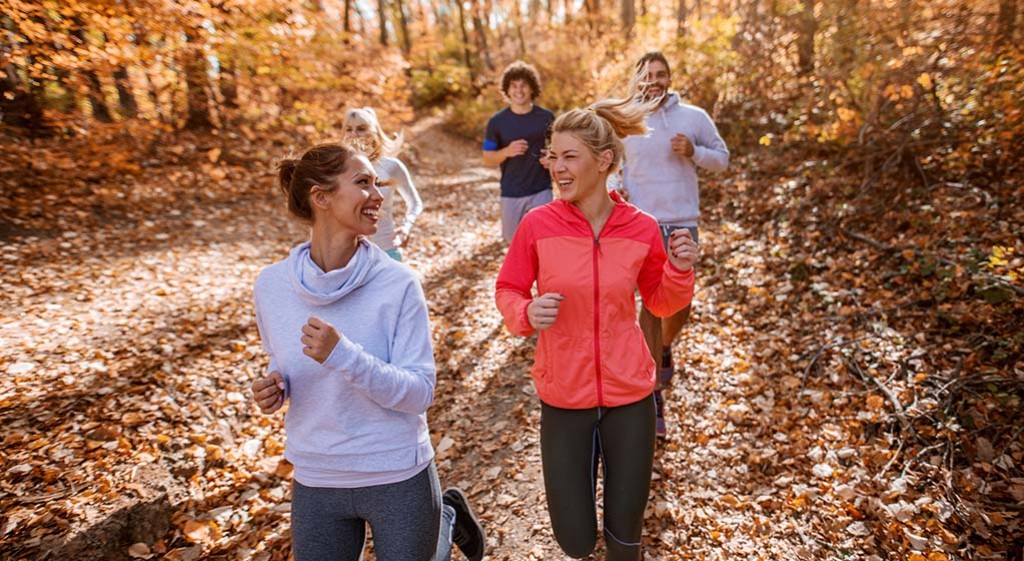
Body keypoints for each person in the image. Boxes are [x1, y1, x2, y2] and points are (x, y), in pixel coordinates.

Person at [249, 142, 484, 561]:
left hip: (396, 469)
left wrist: (344, 356)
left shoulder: (398, 284)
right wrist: (275, 386)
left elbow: (420, 393)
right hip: (318, 472)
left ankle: (441, 522)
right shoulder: (271, 286)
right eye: (363, 183)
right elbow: (281, 359)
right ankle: (440, 521)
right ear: (321, 198)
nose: (378, 195)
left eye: (378, 183)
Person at [494, 79, 699, 560]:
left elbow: (662, 303)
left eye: (569, 156)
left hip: (631, 395)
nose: (556, 167)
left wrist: (680, 270)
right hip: (565, 396)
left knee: (625, 540)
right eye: (552, 156)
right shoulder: (537, 225)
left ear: (603, 161)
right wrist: (525, 312)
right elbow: (508, 289)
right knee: (576, 539)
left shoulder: (642, 227)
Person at [616, 51, 729, 439]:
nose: (654, 80)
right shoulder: (626, 119)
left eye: (661, 74)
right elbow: (611, 167)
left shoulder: (693, 117)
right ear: (637, 79)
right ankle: (654, 399)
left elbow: (722, 159)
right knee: (649, 307)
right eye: (647, 75)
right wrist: (618, 190)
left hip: (683, 223)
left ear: (670, 78)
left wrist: (694, 152)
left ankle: (663, 346)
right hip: (641, 225)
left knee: (681, 306)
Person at [482, 60, 555, 242]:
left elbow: (560, 148)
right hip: (511, 192)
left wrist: (552, 157)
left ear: (532, 88)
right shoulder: (497, 122)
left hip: (541, 191)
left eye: (524, 85)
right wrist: (506, 151)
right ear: (507, 90)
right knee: (515, 245)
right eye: (514, 86)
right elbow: (487, 158)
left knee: (544, 242)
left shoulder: (546, 117)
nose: (519, 90)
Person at [342, 107, 423, 262]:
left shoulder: (391, 166)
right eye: (348, 129)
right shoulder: (337, 169)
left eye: (361, 129)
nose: (353, 134)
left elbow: (415, 203)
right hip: (349, 258)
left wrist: (406, 227)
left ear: (374, 132)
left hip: (388, 253)